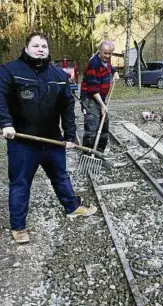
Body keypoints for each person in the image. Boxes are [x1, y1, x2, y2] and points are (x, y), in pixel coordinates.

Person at [0, 32, 97, 244]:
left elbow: (68, 108)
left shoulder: (59, 76)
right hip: (22, 143)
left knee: (60, 176)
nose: (40, 49)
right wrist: (6, 123)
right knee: (20, 184)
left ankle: (72, 207)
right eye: (35, 45)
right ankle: (18, 226)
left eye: (44, 45)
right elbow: (1, 99)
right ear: (26, 48)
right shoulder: (9, 71)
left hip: (52, 140)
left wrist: (70, 135)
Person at [80, 40, 119, 153]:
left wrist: (115, 71)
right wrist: (102, 105)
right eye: (105, 53)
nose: (107, 56)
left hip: (100, 97)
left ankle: (99, 151)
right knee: (93, 125)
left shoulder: (106, 59)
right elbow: (93, 89)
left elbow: (109, 66)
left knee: (104, 123)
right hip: (89, 97)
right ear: (99, 51)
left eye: (110, 53)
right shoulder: (93, 64)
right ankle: (87, 154)